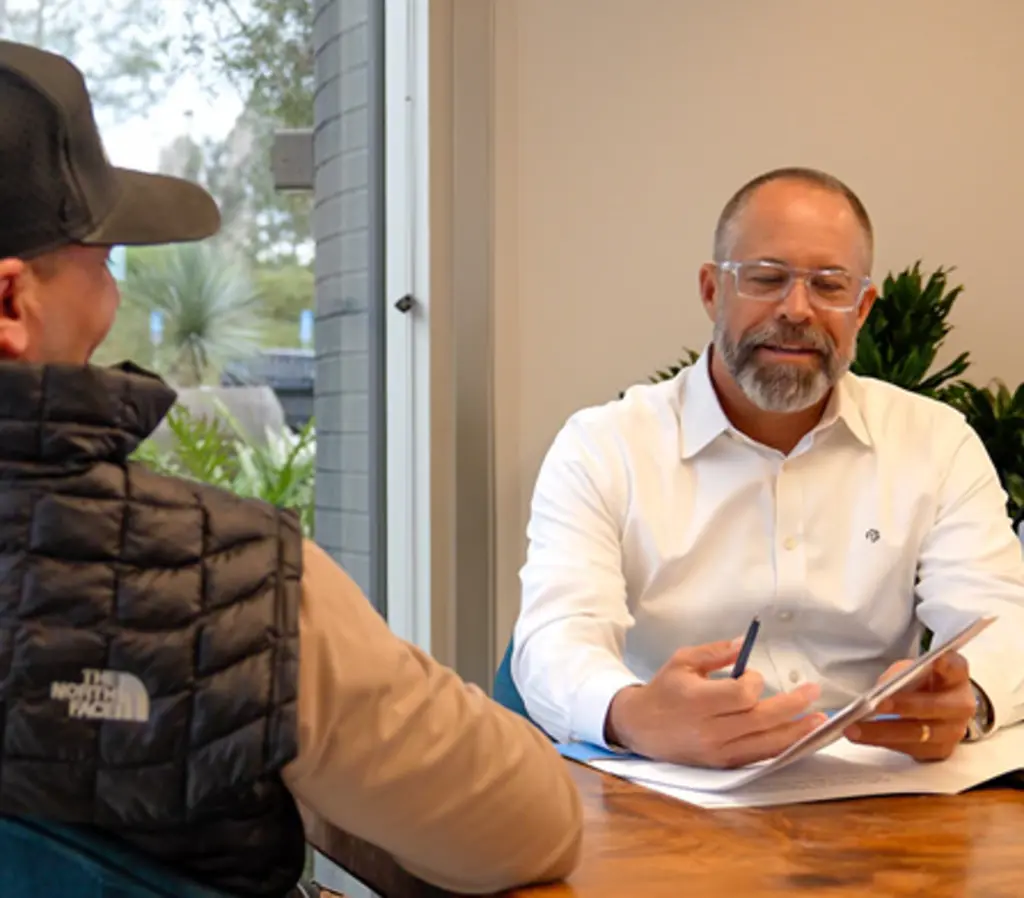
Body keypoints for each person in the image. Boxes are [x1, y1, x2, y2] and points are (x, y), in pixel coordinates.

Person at [0, 40, 582, 897]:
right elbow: (525, 827)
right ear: (12, 302)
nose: (113, 296)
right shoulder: (215, 582)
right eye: (105, 261)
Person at [512, 166, 1024, 770]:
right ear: (711, 291)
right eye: (766, 278)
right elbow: (555, 636)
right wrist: (632, 713)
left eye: (830, 286)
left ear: (862, 307)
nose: (797, 309)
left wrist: (968, 701)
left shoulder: (936, 441)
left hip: (880, 796)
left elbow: (1002, 617)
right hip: (670, 790)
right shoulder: (603, 446)